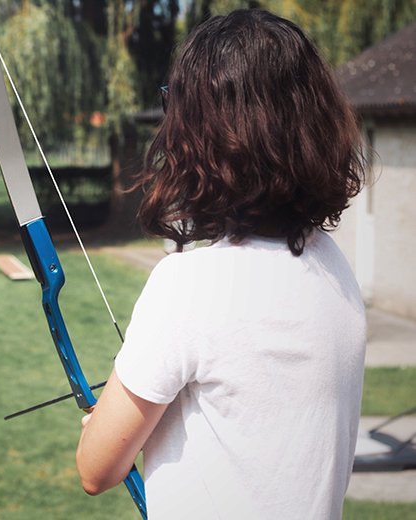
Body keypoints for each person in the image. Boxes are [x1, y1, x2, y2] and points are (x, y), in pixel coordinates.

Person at [75, 9, 366, 519]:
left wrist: (103, 428)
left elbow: (95, 469)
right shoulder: (333, 265)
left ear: (203, 139)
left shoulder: (191, 285)